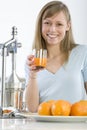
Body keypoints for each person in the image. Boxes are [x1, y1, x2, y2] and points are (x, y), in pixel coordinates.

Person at [25, 1, 87, 112]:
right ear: (41, 25)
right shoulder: (33, 61)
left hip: (77, 126)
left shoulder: (82, 53)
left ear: (68, 26)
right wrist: (32, 75)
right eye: (47, 23)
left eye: (59, 24)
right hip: (43, 127)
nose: (52, 29)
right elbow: (32, 109)